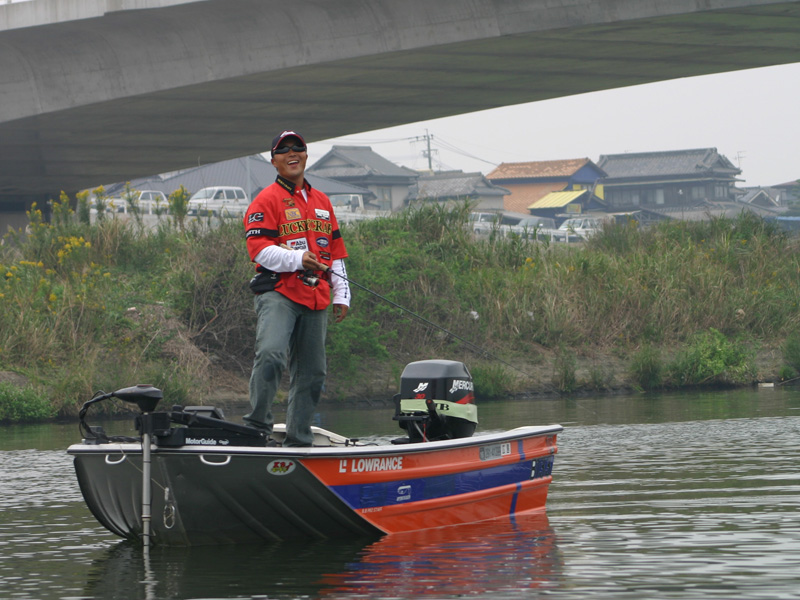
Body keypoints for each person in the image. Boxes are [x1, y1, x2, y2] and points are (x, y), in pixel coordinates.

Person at [243, 130, 350, 446]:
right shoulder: (266, 200)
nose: (292, 153)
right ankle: (256, 427)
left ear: (305, 155)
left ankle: (299, 439)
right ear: (274, 161)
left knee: (314, 373)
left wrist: (342, 293)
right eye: (283, 150)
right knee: (271, 354)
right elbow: (259, 250)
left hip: (317, 297)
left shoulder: (322, 202)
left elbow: (336, 253)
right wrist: (297, 259)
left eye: (298, 148)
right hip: (279, 292)